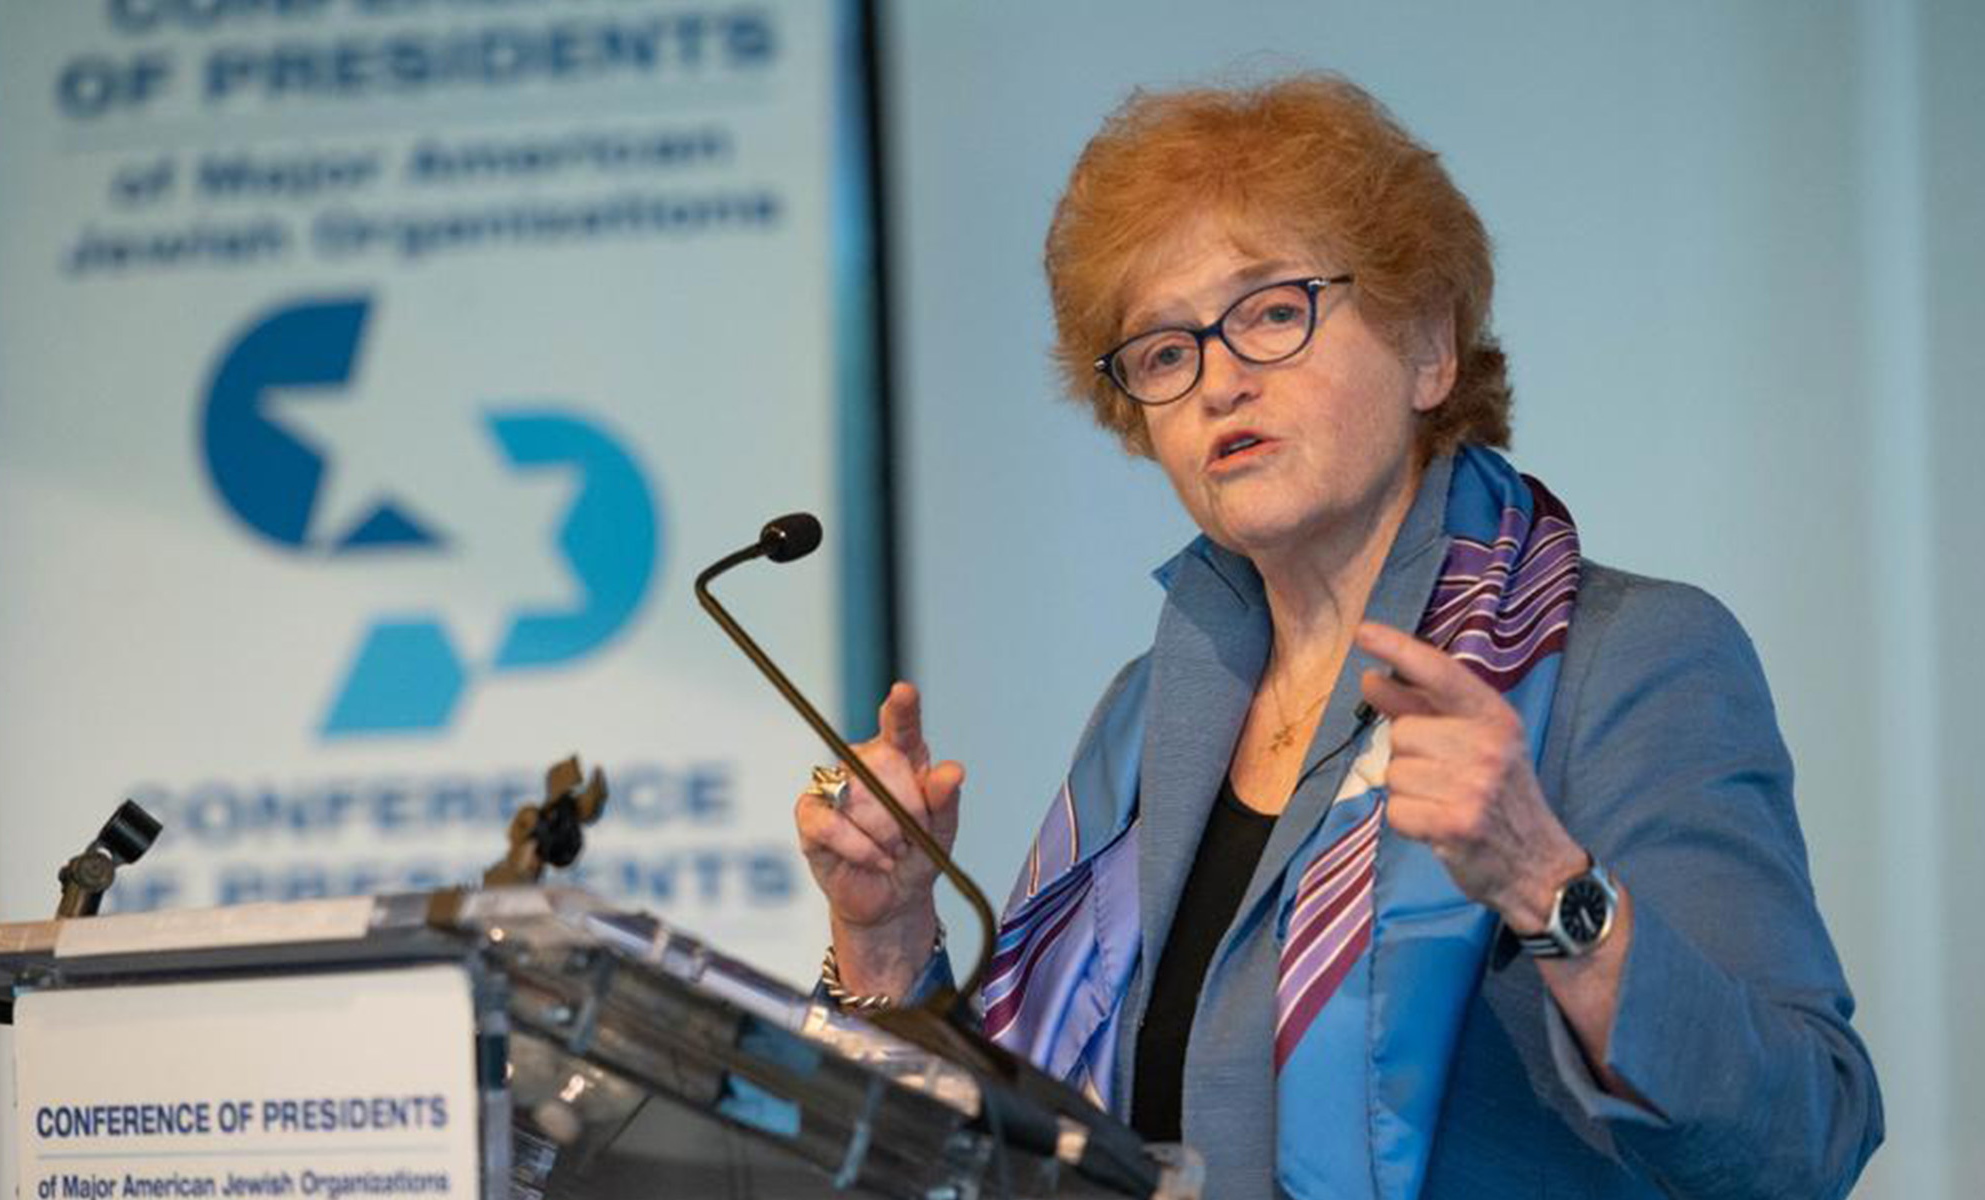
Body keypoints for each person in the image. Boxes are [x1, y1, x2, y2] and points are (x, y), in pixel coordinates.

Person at [794, 74, 1882, 1198]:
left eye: (1272, 312)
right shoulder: (1150, 716)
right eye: (1165, 352)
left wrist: (1548, 884)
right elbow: (1021, 1145)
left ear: (1428, 349)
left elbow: (1806, 1138)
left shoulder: (1625, 661)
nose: (1218, 381)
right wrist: (883, 939)